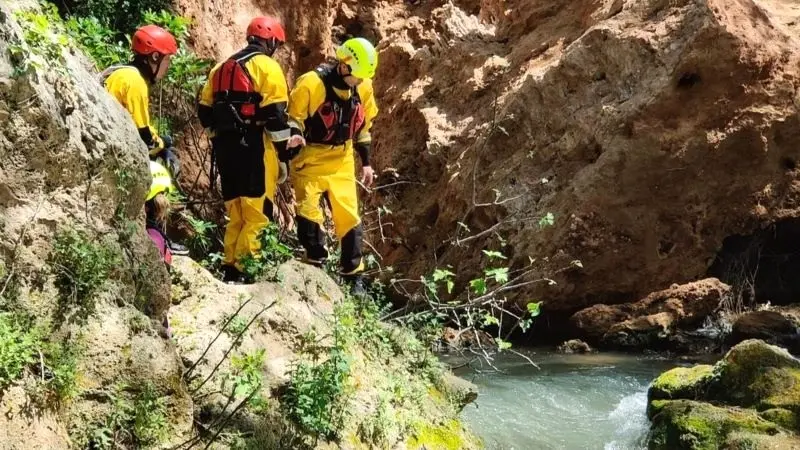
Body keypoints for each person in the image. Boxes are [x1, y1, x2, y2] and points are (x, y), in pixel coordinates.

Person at [197, 16, 303, 283]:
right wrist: (283, 152)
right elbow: (275, 115)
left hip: (225, 149)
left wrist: (218, 136)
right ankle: (247, 269)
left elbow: (204, 110)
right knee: (257, 213)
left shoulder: (221, 67)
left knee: (236, 212)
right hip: (254, 147)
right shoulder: (267, 67)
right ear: (270, 42)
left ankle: (230, 266)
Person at [284, 37, 379, 294]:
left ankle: (353, 276)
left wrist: (367, 163)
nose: (359, 82)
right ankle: (315, 262)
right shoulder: (312, 83)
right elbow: (295, 118)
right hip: (311, 155)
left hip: (342, 157)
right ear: (344, 66)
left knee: (348, 215)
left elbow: (363, 127)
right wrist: (294, 136)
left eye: (363, 78)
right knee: (308, 211)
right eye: (356, 77)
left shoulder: (364, 86)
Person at [101, 24, 181, 176]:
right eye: (167, 60)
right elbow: (144, 137)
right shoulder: (136, 82)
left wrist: (160, 140)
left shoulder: (121, 72)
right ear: (155, 57)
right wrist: (163, 147)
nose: (168, 66)